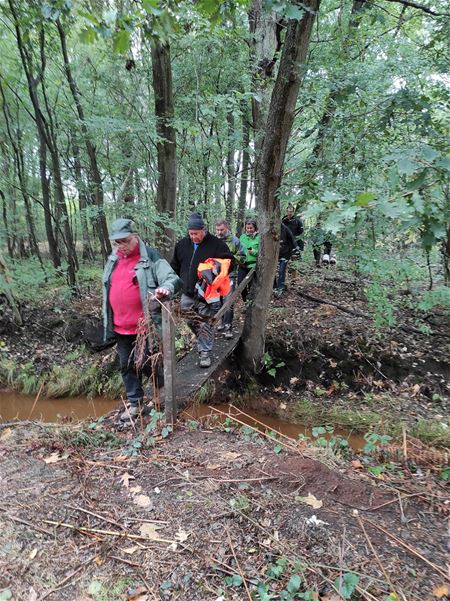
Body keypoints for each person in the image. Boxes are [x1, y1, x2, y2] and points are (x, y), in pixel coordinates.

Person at [102, 218, 181, 420]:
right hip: (120, 326)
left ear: (135, 237)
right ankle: (135, 404)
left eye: (125, 241)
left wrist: (166, 288)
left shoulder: (150, 257)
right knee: (126, 365)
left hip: (145, 325)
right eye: (117, 242)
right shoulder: (113, 259)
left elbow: (172, 279)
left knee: (147, 362)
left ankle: (162, 391)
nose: (121, 246)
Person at [170, 213, 232, 368]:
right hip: (187, 292)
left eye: (196, 234)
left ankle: (204, 352)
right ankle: (204, 337)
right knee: (190, 319)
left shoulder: (217, 244)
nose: (193, 237)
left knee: (204, 322)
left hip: (207, 294)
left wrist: (216, 267)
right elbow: (175, 267)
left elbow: (229, 263)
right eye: (190, 234)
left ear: (204, 230)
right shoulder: (182, 245)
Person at [214, 219, 245, 339]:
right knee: (219, 301)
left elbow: (242, 256)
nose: (219, 232)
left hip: (230, 275)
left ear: (226, 228)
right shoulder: (213, 241)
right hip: (216, 276)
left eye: (221, 230)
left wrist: (231, 259)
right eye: (217, 230)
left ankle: (228, 327)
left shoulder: (234, 241)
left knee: (229, 301)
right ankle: (222, 322)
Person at [238, 219, 260, 302]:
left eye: (251, 228)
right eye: (247, 228)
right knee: (240, 284)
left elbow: (262, 253)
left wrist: (252, 251)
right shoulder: (242, 237)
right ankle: (245, 301)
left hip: (253, 266)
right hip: (242, 265)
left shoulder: (259, 237)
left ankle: (250, 305)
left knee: (251, 286)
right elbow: (239, 249)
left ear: (255, 228)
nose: (249, 230)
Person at [274, 223, 298, 297]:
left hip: (285, 253)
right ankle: (274, 287)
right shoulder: (270, 228)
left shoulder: (285, 228)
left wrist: (295, 252)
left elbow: (292, 239)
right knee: (273, 271)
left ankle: (280, 288)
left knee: (281, 270)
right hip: (275, 254)